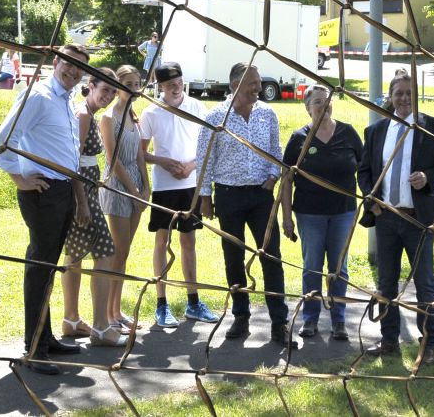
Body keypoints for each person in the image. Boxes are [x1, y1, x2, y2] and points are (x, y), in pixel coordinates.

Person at [0, 44, 90, 375]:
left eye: (80, 69)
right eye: (69, 65)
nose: (73, 72)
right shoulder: (38, 95)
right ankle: (33, 349)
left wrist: (77, 198)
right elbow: (4, 138)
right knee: (40, 267)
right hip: (43, 192)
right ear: (56, 62)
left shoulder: (66, 100)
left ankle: (45, 338)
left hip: (61, 191)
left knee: (48, 267)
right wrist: (19, 179)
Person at [357, 70, 434, 362]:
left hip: (418, 220)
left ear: (417, 96)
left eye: (409, 93)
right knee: (386, 282)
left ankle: (429, 342)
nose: (404, 99)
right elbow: (364, 171)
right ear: (390, 96)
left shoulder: (432, 127)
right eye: (399, 93)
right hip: (386, 219)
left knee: (425, 282)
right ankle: (390, 340)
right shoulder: (376, 131)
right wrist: (371, 197)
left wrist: (428, 177)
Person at [196, 62, 297, 348]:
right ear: (234, 86)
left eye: (257, 82)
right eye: (251, 83)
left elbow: (276, 151)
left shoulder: (268, 114)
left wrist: (272, 176)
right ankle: (241, 317)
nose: (257, 88)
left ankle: (280, 323)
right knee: (233, 257)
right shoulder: (216, 117)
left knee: (271, 257)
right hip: (228, 195)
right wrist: (205, 198)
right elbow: (204, 158)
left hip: (261, 196)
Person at [280, 84, 363, 341]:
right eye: (316, 102)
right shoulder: (298, 139)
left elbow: (366, 169)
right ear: (307, 108)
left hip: (343, 212)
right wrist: (286, 218)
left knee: (339, 267)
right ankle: (310, 319)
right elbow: (286, 179)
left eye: (326, 101)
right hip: (309, 214)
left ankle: (339, 321)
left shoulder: (348, 134)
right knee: (312, 267)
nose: (322, 106)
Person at [140, 62, 218, 327]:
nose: (176, 88)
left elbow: (208, 145)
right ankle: (161, 304)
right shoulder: (151, 112)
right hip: (164, 187)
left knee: (189, 243)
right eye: (170, 85)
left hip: (191, 186)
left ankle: (193, 302)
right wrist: (164, 162)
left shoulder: (197, 107)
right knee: (162, 243)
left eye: (179, 83)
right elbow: (142, 152)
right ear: (160, 86)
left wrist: (191, 166)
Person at [59, 68, 126, 347]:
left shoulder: (87, 113)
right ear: (91, 85)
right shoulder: (83, 114)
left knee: (74, 255)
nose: (108, 96)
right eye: (105, 90)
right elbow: (74, 161)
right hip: (80, 192)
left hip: (86, 189)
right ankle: (100, 326)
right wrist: (83, 203)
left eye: (113, 92)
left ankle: (71, 319)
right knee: (106, 251)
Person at [99, 65, 150, 332]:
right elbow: (113, 160)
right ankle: (108, 314)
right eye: (128, 83)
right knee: (117, 252)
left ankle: (117, 310)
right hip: (119, 185)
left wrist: (146, 187)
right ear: (118, 86)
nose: (133, 87)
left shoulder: (133, 115)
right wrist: (133, 191)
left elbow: (140, 154)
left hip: (136, 184)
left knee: (125, 252)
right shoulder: (109, 117)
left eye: (137, 83)